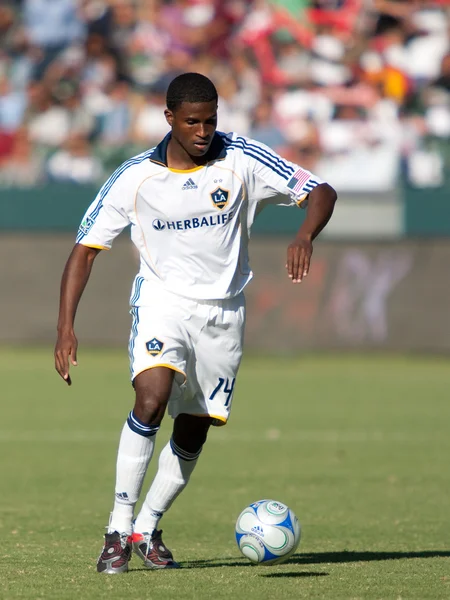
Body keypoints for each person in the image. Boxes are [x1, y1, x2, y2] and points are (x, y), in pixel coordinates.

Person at [54, 72, 337, 574]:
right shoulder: (134, 177)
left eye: (210, 120)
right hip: (162, 301)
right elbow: (85, 251)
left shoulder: (242, 157)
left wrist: (306, 235)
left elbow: (320, 191)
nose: (204, 131)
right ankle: (117, 532)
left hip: (225, 312)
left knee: (194, 427)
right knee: (151, 399)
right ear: (169, 119)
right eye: (192, 122)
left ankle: (147, 527)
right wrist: (65, 328)